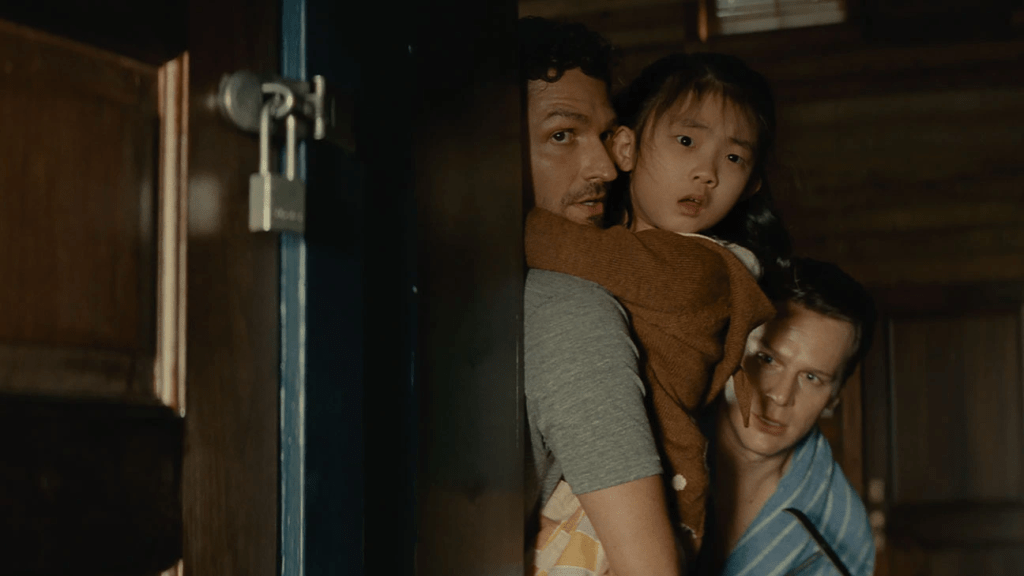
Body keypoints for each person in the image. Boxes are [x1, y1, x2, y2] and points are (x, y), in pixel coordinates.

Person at [525, 52, 790, 560]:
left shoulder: (703, 269)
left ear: (751, 184)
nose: (706, 173)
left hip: (643, 504)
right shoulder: (623, 250)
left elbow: (561, 247)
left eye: (734, 159)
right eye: (687, 141)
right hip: (598, 490)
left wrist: (486, 213)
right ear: (625, 147)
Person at [520, 17, 683, 576]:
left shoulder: (565, 303)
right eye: (562, 135)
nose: (606, 168)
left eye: (606, 135)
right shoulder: (568, 309)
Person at [704, 258, 877, 576]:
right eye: (767, 359)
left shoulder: (842, 532)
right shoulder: (654, 441)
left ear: (833, 397)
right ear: (730, 348)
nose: (781, 395)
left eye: (812, 377)